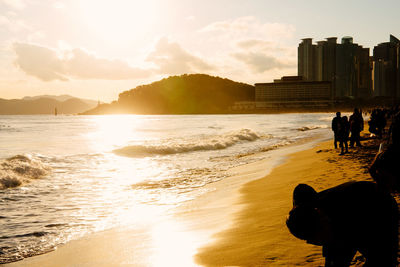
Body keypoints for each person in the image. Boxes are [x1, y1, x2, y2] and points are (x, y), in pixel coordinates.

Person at [286, 181, 398, 267]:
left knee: (382, 260)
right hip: (342, 215)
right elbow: (300, 188)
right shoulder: (312, 209)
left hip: (381, 208)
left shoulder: (348, 218)